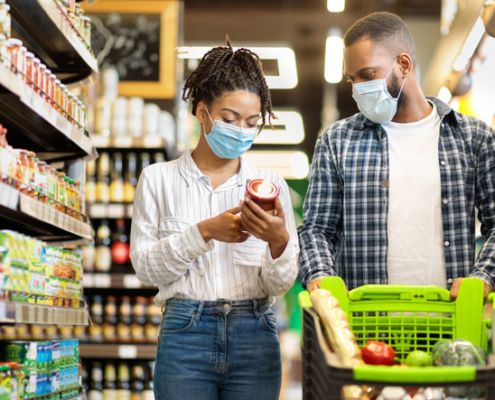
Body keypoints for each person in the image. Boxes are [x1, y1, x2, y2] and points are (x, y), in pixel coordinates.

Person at [130, 38, 299, 400]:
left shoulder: (271, 186)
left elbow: (280, 284)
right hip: (184, 335)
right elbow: (145, 269)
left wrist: (278, 241)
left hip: (254, 334)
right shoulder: (157, 179)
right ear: (202, 112)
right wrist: (204, 232)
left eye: (252, 122)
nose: (241, 130)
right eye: (229, 118)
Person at [298, 12, 495, 301]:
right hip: (365, 325)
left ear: (403, 64)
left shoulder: (473, 138)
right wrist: (320, 275)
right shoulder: (337, 141)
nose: (358, 88)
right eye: (352, 79)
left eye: (367, 75)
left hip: (450, 322)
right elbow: (316, 229)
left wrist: (483, 277)